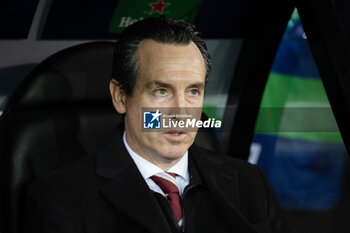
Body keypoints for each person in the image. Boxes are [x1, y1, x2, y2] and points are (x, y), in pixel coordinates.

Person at [24, 16, 283, 233]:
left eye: (193, 91)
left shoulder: (250, 183)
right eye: (161, 91)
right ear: (121, 97)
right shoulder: (61, 197)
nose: (180, 111)